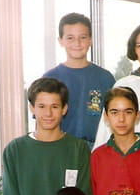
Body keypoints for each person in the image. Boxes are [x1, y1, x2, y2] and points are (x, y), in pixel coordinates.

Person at [43, 13, 115, 147]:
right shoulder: (49, 78)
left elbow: (115, 119)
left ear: (90, 40)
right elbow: (42, 123)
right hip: (60, 147)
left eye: (83, 37)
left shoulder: (105, 78)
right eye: (70, 38)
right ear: (60, 41)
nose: (77, 43)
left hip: (97, 148)